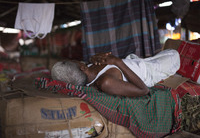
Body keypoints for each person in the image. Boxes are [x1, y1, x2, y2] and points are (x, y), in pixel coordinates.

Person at [51, 49, 180, 97]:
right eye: (74, 61)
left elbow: (91, 64)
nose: (77, 60)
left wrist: (92, 59)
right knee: (175, 54)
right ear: (82, 68)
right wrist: (118, 62)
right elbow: (143, 90)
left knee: (169, 51)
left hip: (139, 62)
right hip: (150, 72)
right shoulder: (105, 82)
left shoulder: (89, 68)